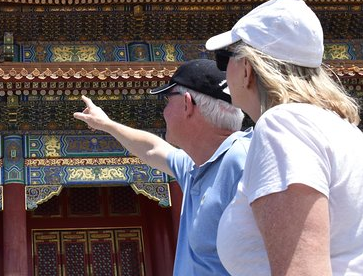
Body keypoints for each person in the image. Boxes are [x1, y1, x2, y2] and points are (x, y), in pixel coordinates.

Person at [207, 0, 363, 276]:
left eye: (225, 59)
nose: (223, 71)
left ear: (248, 68)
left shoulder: (282, 125)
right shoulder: (343, 130)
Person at [73, 59, 251, 275]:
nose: (164, 111)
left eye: (167, 100)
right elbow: (153, 149)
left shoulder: (244, 160)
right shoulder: (195, 166)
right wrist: (107, 124)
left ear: (187, 104)